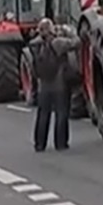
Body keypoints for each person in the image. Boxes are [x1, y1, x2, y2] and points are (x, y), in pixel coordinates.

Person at [31, 18, 78, 152]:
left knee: (42, 115)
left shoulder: (35, 45)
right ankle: (61, 143)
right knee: (61, 114)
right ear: (51, 29)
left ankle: (39, 144)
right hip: (59, 84)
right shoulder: (57, 43)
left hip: (43, 86)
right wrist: (68, 32)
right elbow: (76, 43)